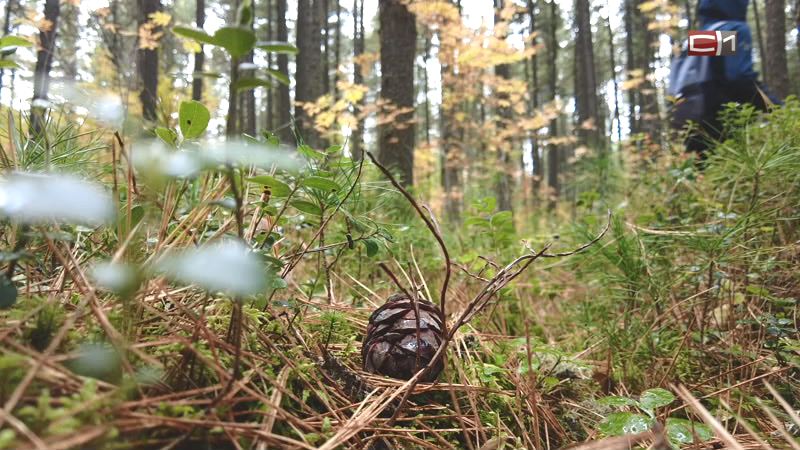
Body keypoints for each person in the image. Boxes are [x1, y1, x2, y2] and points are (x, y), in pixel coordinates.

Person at [669, 0, 780, 157]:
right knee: (734, 170)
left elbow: (683, 83)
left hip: (687, 115)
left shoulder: (699, 38)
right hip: (720, 118)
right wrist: (777, 109)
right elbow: (739, 79)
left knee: (702, 172)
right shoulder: (732, 28)